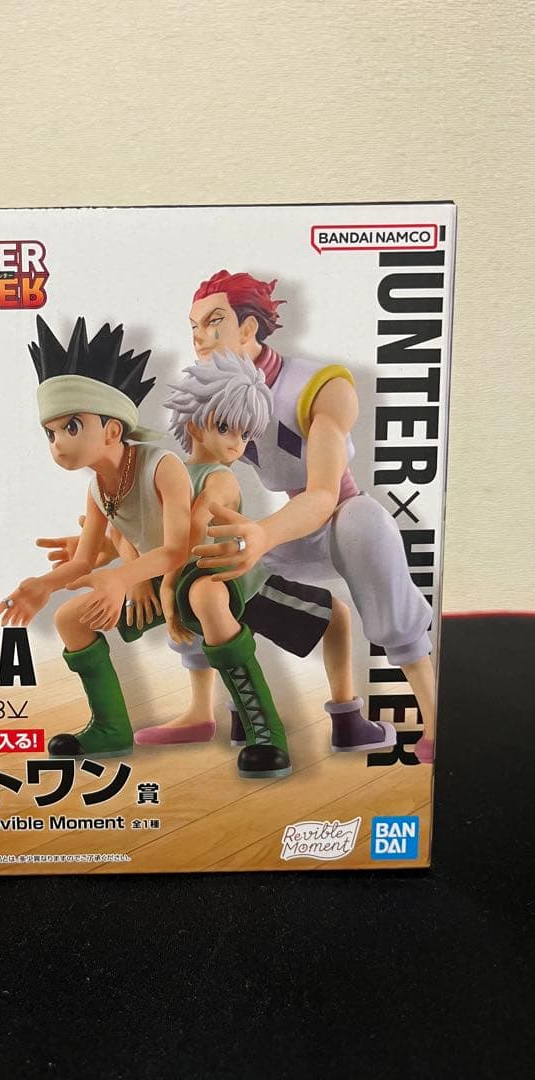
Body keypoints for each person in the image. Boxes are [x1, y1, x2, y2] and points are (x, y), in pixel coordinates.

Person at [0, 316, 291, 778]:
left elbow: (177, 549)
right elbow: (84, 560)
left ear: (112, 430)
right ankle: (110, 728)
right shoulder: (97, 489)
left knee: (206, 597)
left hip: (205, 564)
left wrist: (123, 578)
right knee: (69, 618)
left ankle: (265, 732)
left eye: (71, 426)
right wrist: (44, 584)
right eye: (50, 433)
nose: (58, 444)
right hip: (152, 577)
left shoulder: (162, 465)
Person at [188, 271, 436, 763]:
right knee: (218, 575)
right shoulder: (214, 395)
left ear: (248, 328)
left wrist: (260, 535)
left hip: (341, 512)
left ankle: (434, 719)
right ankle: (239, 710)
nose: (199, 337)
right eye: (193, 326)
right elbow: (195, 479)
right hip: (290, 528)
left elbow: (323, 494)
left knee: (364, 530)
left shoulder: (319, 386)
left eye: (213, 322)